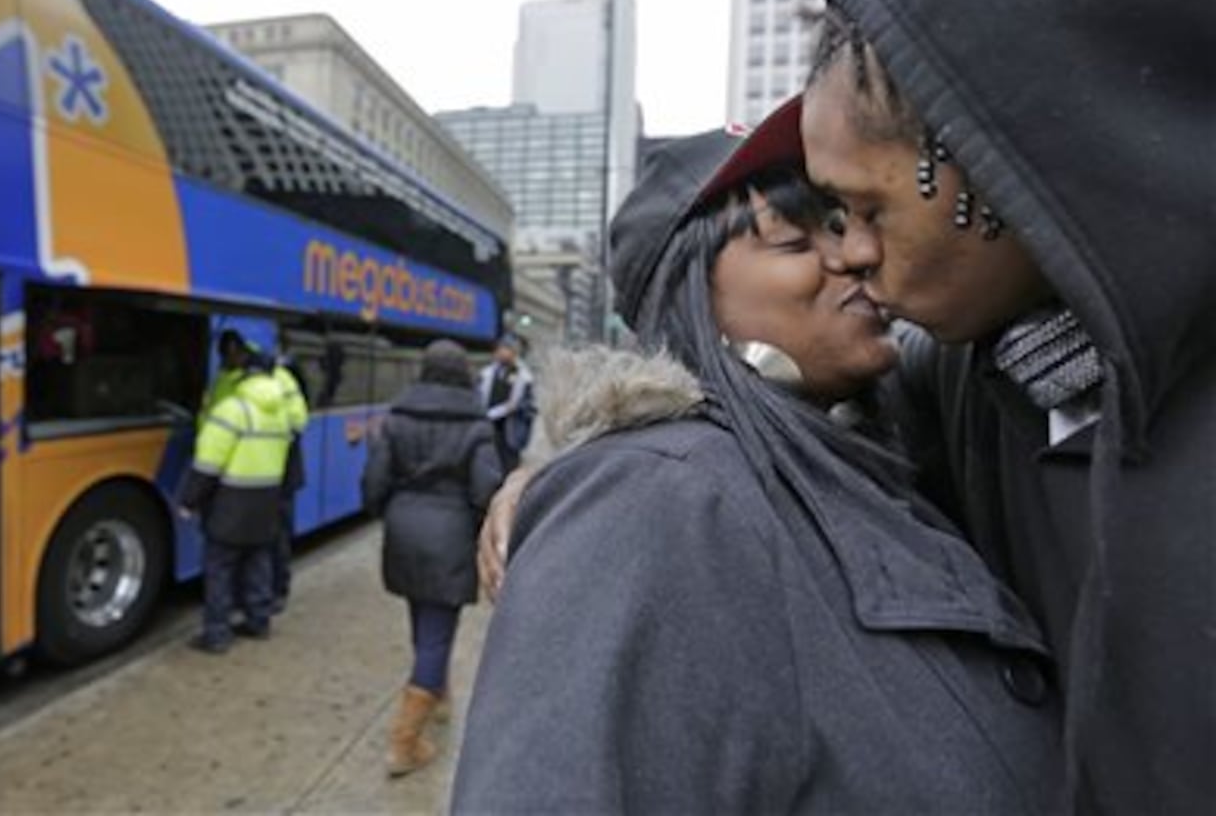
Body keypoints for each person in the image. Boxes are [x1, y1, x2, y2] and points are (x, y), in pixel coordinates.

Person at [452, 120, 1060, 811]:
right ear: (689, 300)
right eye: (798, 240)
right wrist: (625, 483)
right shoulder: (650, 499)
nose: (856, 254)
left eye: (846, 222)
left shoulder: (879, 442)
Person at [795, 0, 1215, 808]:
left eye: (869, 207)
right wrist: (617, 463)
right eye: (827, 212)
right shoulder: (980, 379)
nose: (849, 254)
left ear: (1002, 162)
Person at [361, 339, 502, 778]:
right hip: (450, 530)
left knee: (421, 617)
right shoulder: (476, 426)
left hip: (404, 527)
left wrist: (392, 512)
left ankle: (435, 693)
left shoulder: (398, 417)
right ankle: (404, 745)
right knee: (438, 633)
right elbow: (485, 489)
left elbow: (373, 482)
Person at [175, 346, 292, 654]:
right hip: (267, 499)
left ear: (245, 373)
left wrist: (189, 501)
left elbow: (208, 464)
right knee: (258, 561)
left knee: (220, 567)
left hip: (231, 501)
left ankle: (216, 634)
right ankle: (258, 621)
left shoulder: (232, 408)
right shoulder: (281, 412)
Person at [268, 347, 309, 613]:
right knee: (277, 534)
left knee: (274, 536)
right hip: (280, 473)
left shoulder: (279, 382)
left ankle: (276, 590)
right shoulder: (288, 382)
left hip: (273, 473)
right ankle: (276, 590)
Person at [476, 335, 534, 472]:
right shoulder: (486, 374)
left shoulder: (525, 378)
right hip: (488, 428)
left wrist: (516, 407)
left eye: (507, 349)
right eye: (500, 349)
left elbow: (530, 407)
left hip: (510, 433)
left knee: (508, 469)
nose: (502, 353)